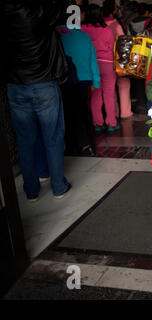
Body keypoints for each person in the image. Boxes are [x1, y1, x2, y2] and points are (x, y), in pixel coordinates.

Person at [1, 0, 72, 201]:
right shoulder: (40, 10)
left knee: (24, 141)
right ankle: (58, 186)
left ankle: (31, 191)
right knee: (53, 138)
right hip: (43, 84)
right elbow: (66, 7)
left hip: (15, 84)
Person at [57, 16, 100, 156]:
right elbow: (92, 59)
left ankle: (76, 145)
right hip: (84, 79)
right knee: (80, 111)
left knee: (68, 113)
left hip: (64, 79)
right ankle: (86, 144)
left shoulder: (57, 34)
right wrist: (96, 81)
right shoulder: (84, 36)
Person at [82, 4, 120, 133]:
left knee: (95, 94)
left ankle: (98, 123)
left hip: (91, 64)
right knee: (109, 94)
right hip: (107, 63)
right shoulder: (106, 30)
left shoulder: (82, 29)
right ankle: (111, 123)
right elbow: (112, 47)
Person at [103, 0, 133, 119]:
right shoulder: (116, 24)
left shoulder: (99, 24)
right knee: (124, 85)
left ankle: (113, 113)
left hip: (104, 61)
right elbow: (123, 43)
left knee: (110, 90)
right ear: (113, 10)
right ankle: (125, 113)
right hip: (117, 60)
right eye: (116, 8)